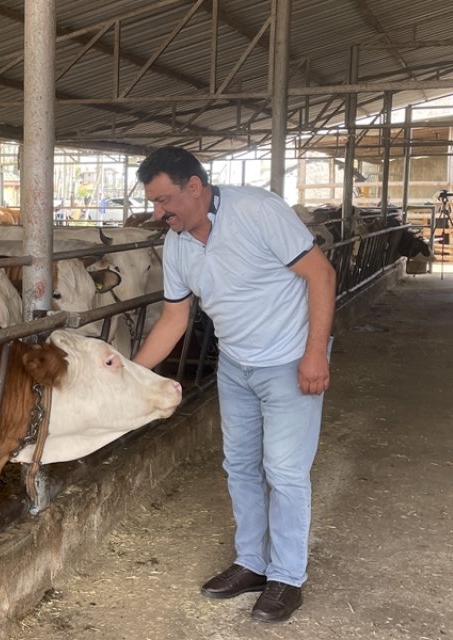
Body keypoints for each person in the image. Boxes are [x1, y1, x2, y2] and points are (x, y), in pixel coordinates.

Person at [131, 147, 336, 624]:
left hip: (290, 359)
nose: (158, 213)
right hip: (236, 364)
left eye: (164, 201)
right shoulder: (178, 243)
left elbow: (321, 274)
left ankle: (287, 577)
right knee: (240, 465)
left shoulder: (257, 210)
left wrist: (314, 352)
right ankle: (252, 563)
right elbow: (174, 319)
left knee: (283, 471)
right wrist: (128, 377)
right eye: (154, 203)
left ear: (194, 187)